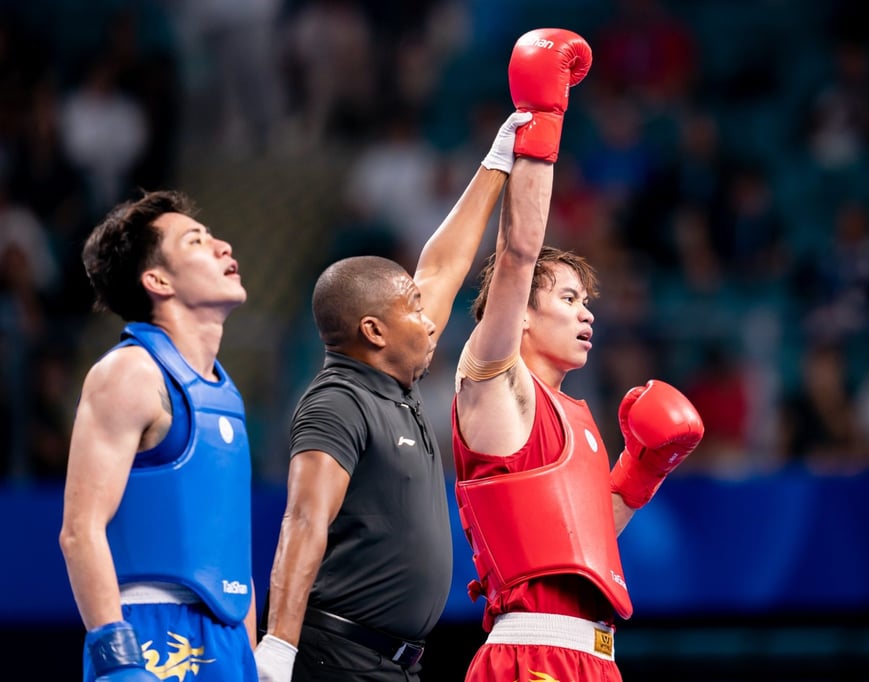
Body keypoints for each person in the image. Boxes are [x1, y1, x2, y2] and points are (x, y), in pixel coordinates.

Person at [450, 29, 705, 681]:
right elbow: (516, 256)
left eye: (587, 299)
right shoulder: (494, 382)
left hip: (592, 656)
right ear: (523, 314)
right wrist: (541, 125)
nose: (587, 310)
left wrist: (641, 475)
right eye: (568, 296)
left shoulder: (577, 417)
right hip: (529, 654)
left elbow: (582, 541)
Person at [252, 111, 533, 680]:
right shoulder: (337, 403)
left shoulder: (391, 384)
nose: (431, 321)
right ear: (374, 332)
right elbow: (303, 521)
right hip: (335, 660)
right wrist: (277, 649)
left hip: (392, 663)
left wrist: (496, 162)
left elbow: (444, 265)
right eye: (413, 309)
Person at [58, 190, 257, 681]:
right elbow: (80, 530)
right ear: (157, 280)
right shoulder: (129, 374)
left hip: (228, 640)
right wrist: (116, 656)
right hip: (149, 632)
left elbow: (232, 552)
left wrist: (248, 659)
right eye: (197, 241)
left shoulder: (225, 392)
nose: (223, 247)